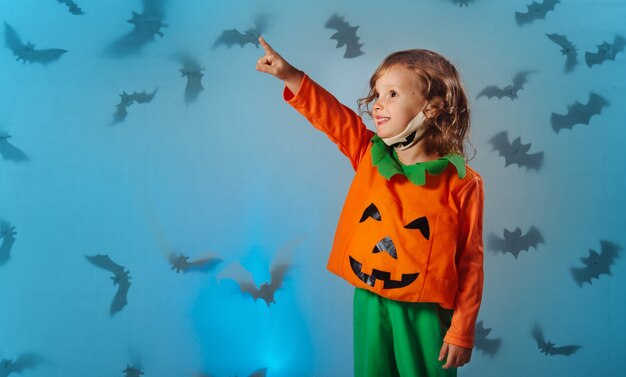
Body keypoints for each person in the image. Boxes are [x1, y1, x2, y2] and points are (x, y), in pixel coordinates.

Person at [256, 36, 484, 377]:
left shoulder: (462, 183)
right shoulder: (369, 156)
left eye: (392, 94)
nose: (378, 104)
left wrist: (462, 329)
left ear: (432, 107)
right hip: (370, 298)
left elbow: (470, 260)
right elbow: (333, 118)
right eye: (377, 94)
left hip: (424, 312)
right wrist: (291, 77)